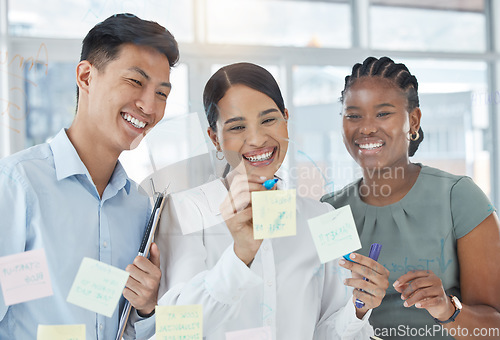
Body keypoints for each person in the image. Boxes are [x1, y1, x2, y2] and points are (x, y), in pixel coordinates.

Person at [155, 62, 389, 339]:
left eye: (268, 120)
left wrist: (359, 309)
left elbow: (328, 331)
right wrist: (239, 256)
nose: (256, 139)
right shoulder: (184, 209)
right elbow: (174, 330)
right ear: (214, 139)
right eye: (237, 127)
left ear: (286, 119)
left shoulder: (327, 216)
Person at [0, 14, 179, 339]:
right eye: (136, 82)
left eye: (162, 94)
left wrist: (146, 309)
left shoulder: (139, 207)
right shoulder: (17, 186)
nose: (149, 106)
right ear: (86, 76)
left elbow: (126, 331)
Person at [321, 56, 500, 339]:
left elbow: (495, 328)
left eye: (382, 114)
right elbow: (318, 323)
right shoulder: (328, 212)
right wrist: (357, 310)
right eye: (353, 115)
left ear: (413, 121)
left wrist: (447, 309)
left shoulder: (459, 198)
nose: (366, 128)